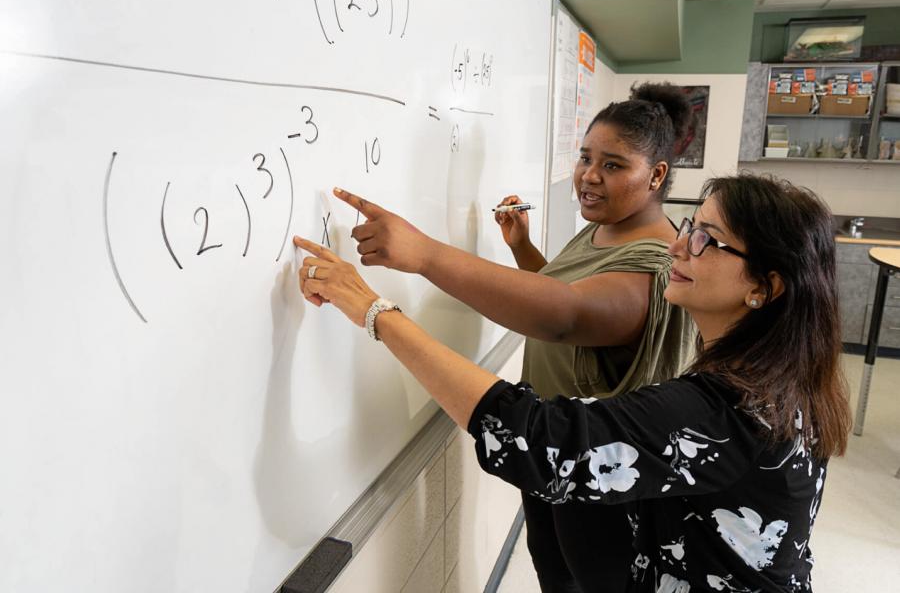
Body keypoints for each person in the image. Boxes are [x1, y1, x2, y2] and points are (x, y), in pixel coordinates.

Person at [292, 173, 852, 592]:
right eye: (689, 226)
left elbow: (538, 439)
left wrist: (372, 309)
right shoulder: (782, 373)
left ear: (764, 287)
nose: (678, 246)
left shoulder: (731, 407)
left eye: (707, 239)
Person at [328, 83, 697, 592]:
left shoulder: (655, 262)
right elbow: (564, 295)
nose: (589, 176)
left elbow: (566, 316)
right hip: (552, 454)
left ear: (656, 175)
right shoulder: (603, 228)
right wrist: (522, 247)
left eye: (613, 165)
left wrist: (425, 255)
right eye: (585, 158)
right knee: (554, 573)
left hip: (603, 477)